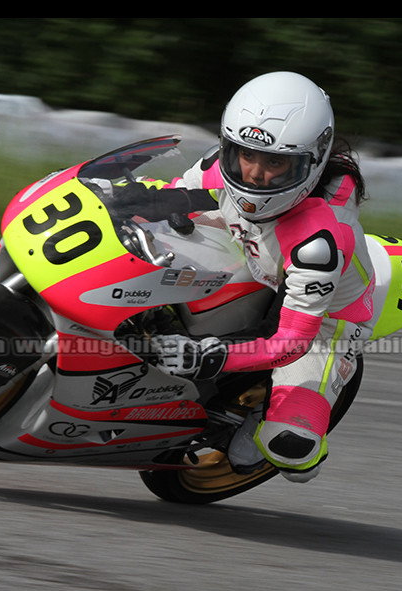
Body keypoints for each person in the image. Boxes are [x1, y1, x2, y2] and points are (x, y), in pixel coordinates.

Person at [151, 71, 376, 483]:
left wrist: (208, 356)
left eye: (276, 162)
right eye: (246, 155)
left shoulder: (318, 243)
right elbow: (170, 199)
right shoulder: (221, 166)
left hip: (322, 323)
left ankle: (268, 413)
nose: (254, 173)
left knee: (291, 449)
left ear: (312, 161)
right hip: (257, 259)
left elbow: (290, 341)